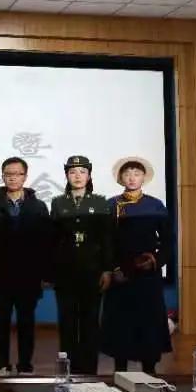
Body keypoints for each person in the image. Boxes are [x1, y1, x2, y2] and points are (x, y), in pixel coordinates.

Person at [0, 157, 52, 376]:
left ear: (25, 177)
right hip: (0, 276)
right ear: (3, 177)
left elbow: (46, 243)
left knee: (26, 322)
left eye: (17, 174)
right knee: (1, 321)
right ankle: (2, 364)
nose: (13, 178)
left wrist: (46, 274)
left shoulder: (38, 206)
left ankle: (25, 364)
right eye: (8, 174)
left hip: (29, 276)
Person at [102, 157, 172, 374]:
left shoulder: (155, 205)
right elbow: (105, 241)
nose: (132, 178)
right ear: (120, 178)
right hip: (121, 273)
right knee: (120, 323)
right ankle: (120, 371)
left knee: (148, 322)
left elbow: (168, 241)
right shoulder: (111, 205)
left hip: (147, 275)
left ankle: (149, 371)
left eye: (136, 174)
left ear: (144, 178)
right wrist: (112, 269)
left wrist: (155, 260)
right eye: (127, 174)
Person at [50, 155, 113, 375]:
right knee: (66, 322)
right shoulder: (58, 203)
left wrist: (107, 269)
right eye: (72, 172)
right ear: (67, 176)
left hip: (92, 272)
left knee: (90, 322)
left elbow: (107, 239)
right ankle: (68, 370)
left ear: (89, 175)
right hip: (65, 273)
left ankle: (89, 371)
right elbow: (52, 240)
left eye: (82, 172)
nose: (77, 176)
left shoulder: (100, 202)